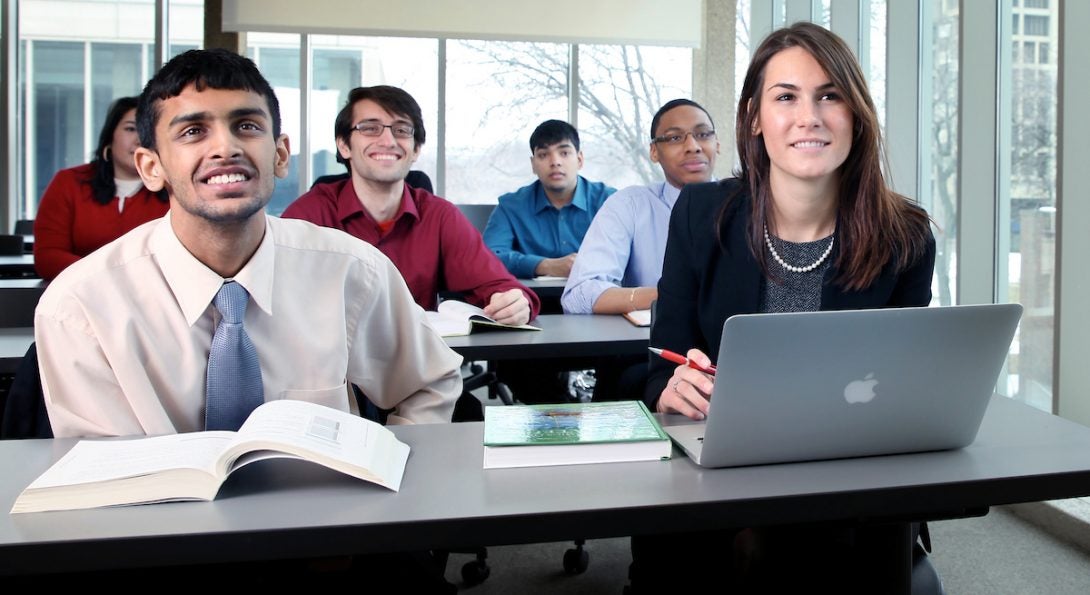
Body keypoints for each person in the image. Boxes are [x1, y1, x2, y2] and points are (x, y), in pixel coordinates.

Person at [630, 23, 936, 593]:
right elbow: (655, 371)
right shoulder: (700, 214)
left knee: (801, 554)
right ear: (753, 117)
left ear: (857, 114)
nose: (809, 117)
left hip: (850, 481)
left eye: (830, 95)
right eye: (786, 97)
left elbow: (903, 394)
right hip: (718, 472)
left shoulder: (905, 236)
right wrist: (671, 387)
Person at [36, 49, 462, 440]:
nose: (226, 147)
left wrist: (391, 464)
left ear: (280, 155)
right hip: (161, 521)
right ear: (151, 167)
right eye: (192, 131)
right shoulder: (81, 307)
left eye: (247, 126)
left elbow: (429, 381)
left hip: (325, 516)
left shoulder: (353, 272)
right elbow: (102, 475)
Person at [282, 85, 538, 324]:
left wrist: (515, 303)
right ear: (344, 145)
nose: (388, 141)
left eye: (402, 130)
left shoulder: (439, 216)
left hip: (413, 366)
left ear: (415, 150)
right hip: (331, 367)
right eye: (370, 128)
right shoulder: (308, 215)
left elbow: (499, 285)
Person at [561, 98, 719, 315]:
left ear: (717, 144)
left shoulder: (750, 204)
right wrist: (669, 295)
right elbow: (579, 295)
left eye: (703, 134)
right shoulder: (629, 205)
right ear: (654, 151)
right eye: (674, 137)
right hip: (655, 343)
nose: (693, 147)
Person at [32, 96, 170, 280]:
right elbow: (48, 256)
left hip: (153, 296)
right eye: (130, 129)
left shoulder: (174, 187)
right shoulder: (68, 182)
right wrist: (105, 279)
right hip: (80, 293)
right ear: (109, 136)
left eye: (148, 131)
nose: (139, 140)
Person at [483, 119, 615, 280]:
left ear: (580, 159)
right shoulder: (510, 206)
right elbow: (489, 256)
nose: (555, 162)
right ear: (533, 164)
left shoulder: (609, 201)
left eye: (564, 153)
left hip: (600, 300)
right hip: (531, 300)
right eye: (543, 155)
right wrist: (546, 265)